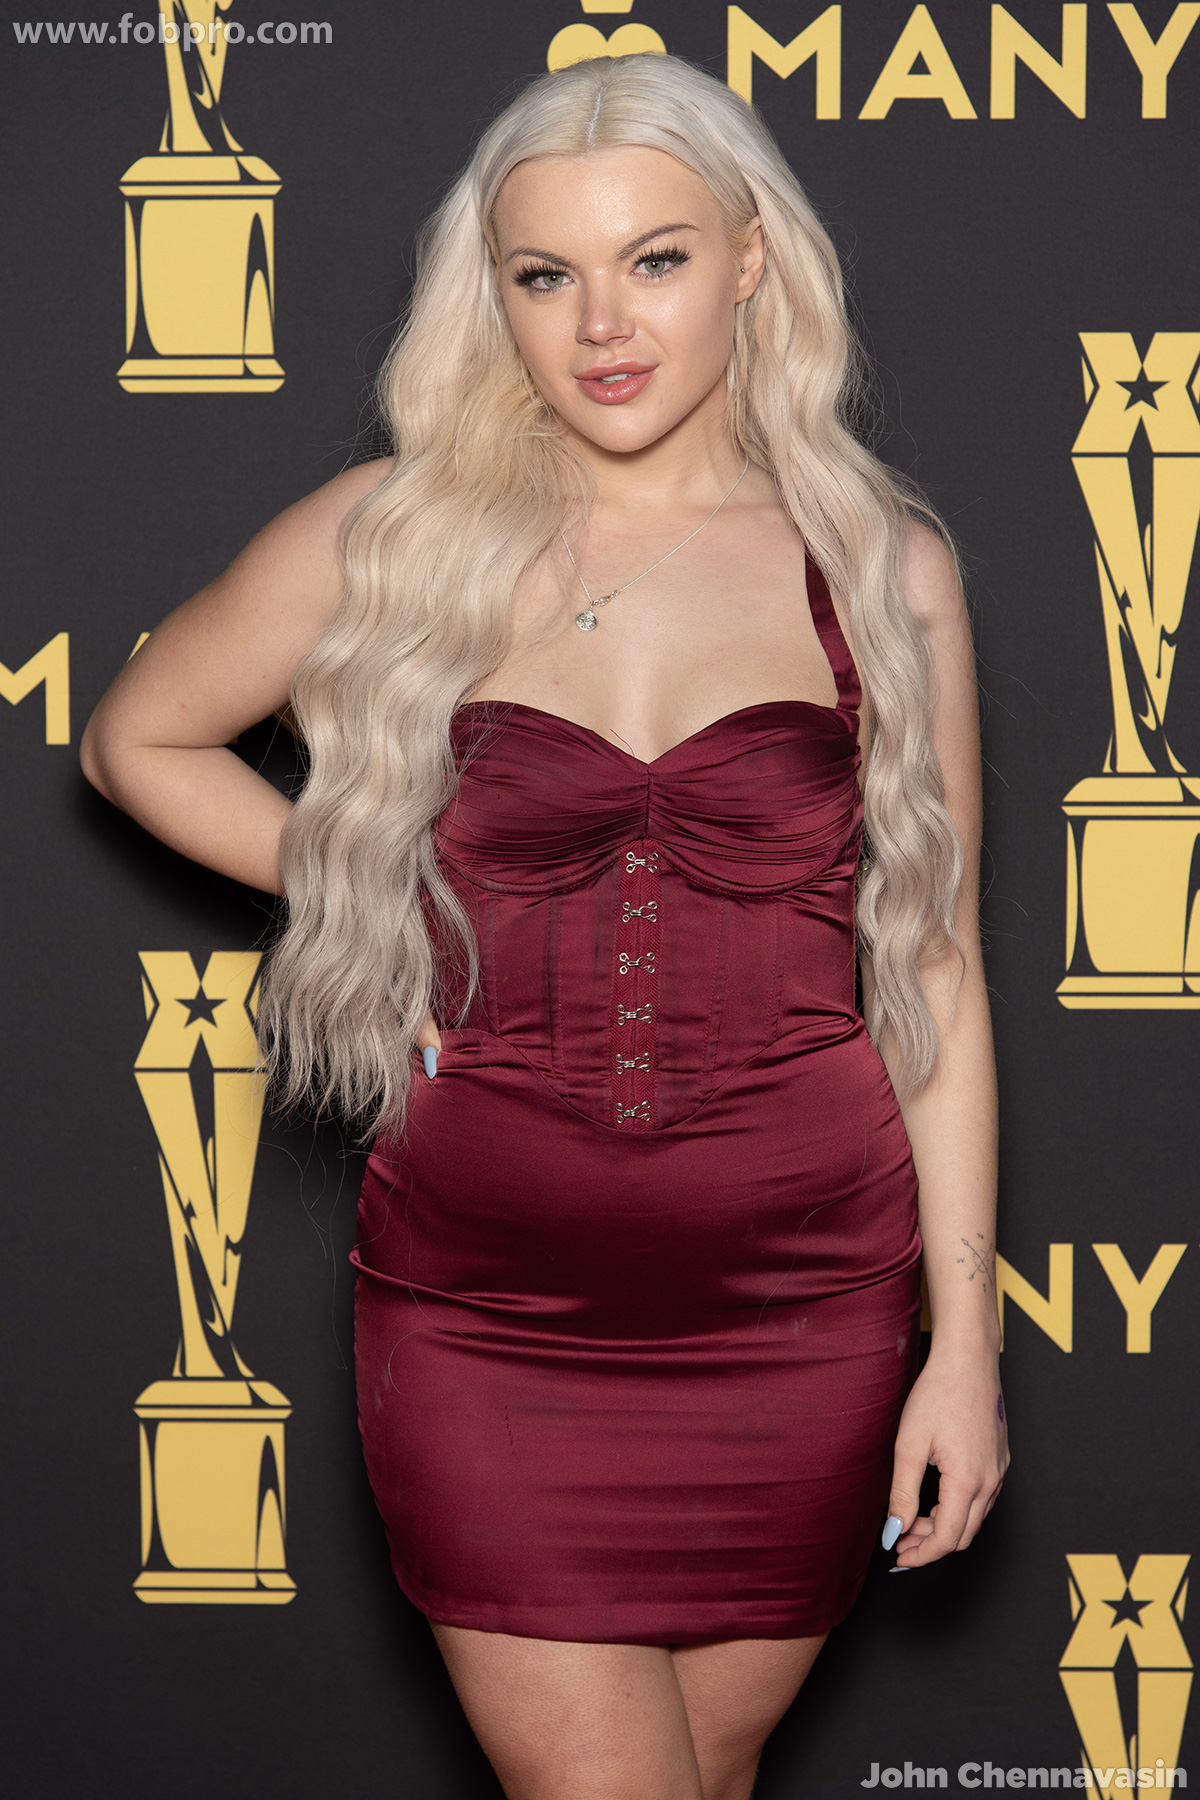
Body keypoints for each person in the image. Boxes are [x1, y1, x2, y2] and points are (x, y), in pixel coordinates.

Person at [82, 51, 1008, 1800]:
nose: (602, 325)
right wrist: (372, 888)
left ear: (752, 260)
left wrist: (962, 1351)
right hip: (487, 1318)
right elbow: (139, 738)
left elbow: (937, 976)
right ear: (489, 295)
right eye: (544, 274)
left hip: (806, 1311)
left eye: (656, 259)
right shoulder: (397, 538)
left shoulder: (882, 569)